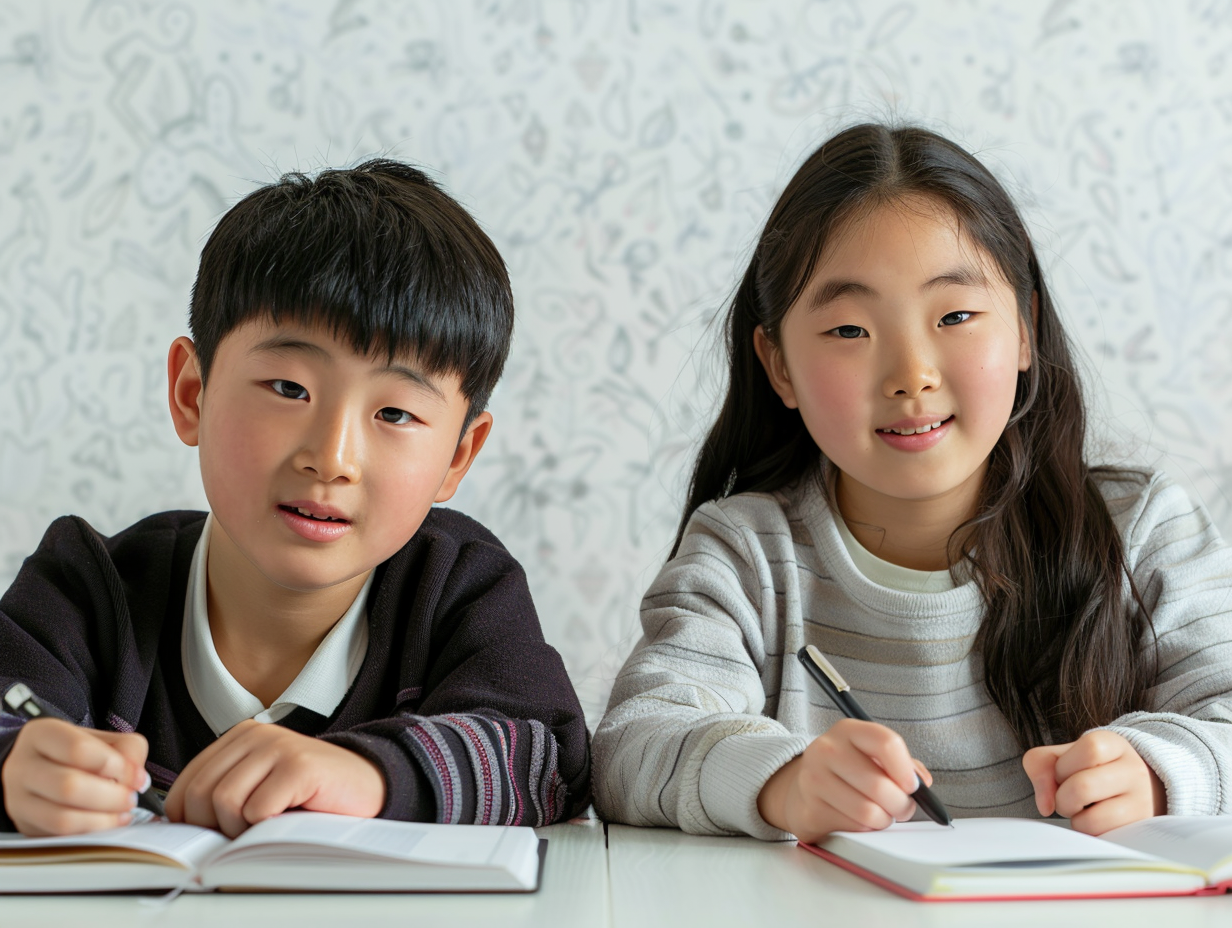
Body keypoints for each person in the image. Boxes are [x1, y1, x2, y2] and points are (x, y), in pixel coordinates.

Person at [592, 124, 1232, 845]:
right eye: (849, 331)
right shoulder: (746, 554)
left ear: (1024, 328)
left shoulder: (1140, 529)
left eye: (955, 315)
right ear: (778, 367)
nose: (911, 374)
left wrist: (1159, 771)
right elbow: (629, 746)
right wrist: (780, 782)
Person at [0, 160, 590, 838]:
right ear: (191, 394)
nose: (332, 459)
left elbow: (548, 760)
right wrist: (15, 765)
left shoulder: (456, 587)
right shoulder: (87, 591)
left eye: (395, 414)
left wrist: (367, 775)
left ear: (458, 455)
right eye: (288, 389)